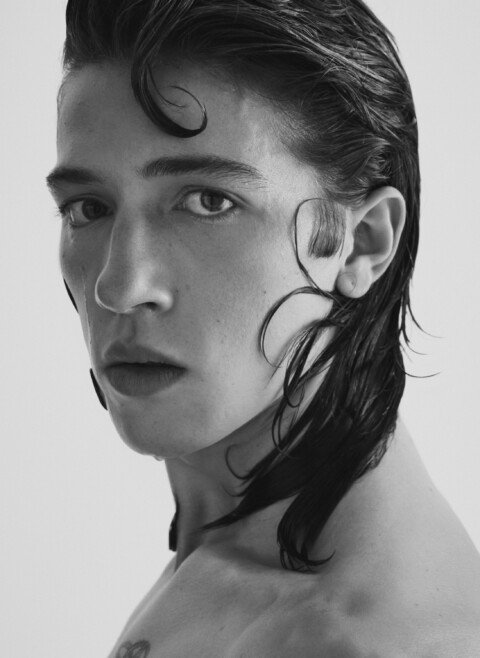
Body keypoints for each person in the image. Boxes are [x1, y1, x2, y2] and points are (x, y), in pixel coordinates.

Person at [46, 0, 480, 655]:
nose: (121, 285)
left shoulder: (369, 641)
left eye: (209, 201)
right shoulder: (235, 558)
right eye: (88, 207)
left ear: (362, 243)